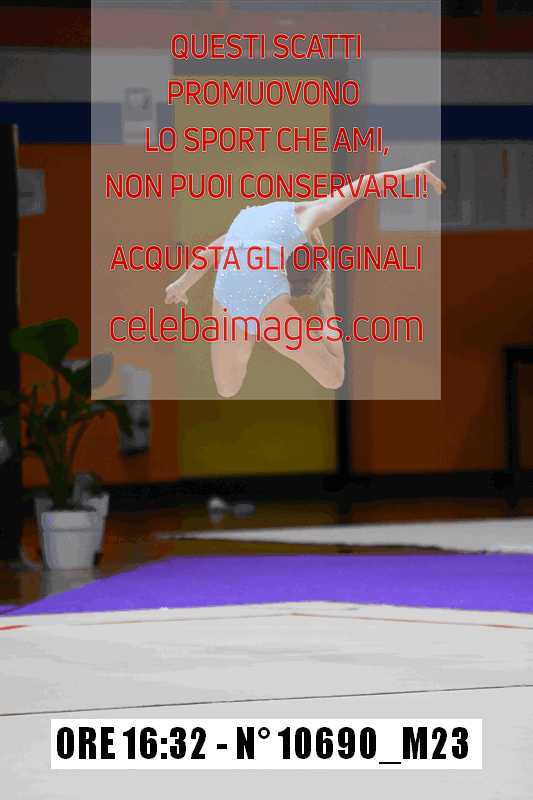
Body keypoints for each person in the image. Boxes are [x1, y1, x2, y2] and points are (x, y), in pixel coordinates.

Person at [164, 161, 445, 397]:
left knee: (227, 388)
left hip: (227, 294)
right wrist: (413, 172)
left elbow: (208, 254)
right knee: (334, 377)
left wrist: (180, 285)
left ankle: (248, 334)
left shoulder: (245, 219)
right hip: (265, 298)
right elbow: (360, 187)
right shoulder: (304, 215)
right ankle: (324, 303)